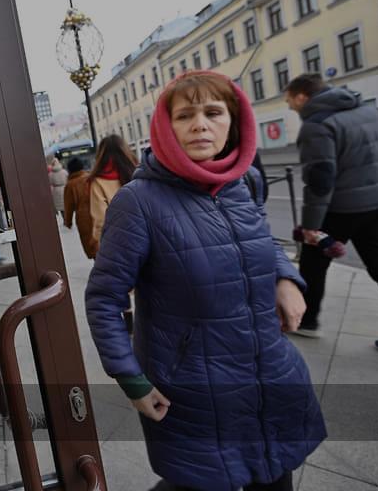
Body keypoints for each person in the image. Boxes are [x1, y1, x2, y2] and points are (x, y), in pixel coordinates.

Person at [86, 71, 325, 491]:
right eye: (185, 115)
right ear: (166, 127)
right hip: (195, 387)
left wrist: (286, 278)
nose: (200, 125)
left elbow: (259, 240)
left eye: (213, 113)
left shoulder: (243, 181)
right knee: (201, 481)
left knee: (275, 476)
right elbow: (104, 299)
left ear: (233, 121)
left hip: (270, 371)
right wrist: (132, 379)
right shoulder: (138, 203)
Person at [285, 73, 378, 367]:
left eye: (289, 101)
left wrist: (310, 226)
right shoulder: (369, 110)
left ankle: (307, 321)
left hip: (341, 209)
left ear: (301, 96)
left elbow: (320, 180)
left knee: (313, 264)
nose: (289, 107)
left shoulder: (316, 125)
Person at [87, 134, 138, 256]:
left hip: (118, 244)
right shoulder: (138, 173)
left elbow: (100, 220)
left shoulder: (98, 182)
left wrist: (100, 246)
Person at [62, 157, 95, 258]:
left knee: (92, 247)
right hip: (98, 212)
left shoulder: (70, 185)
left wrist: (68, 222)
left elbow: (68, 206)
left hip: (83, 219)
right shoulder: (91, 178)